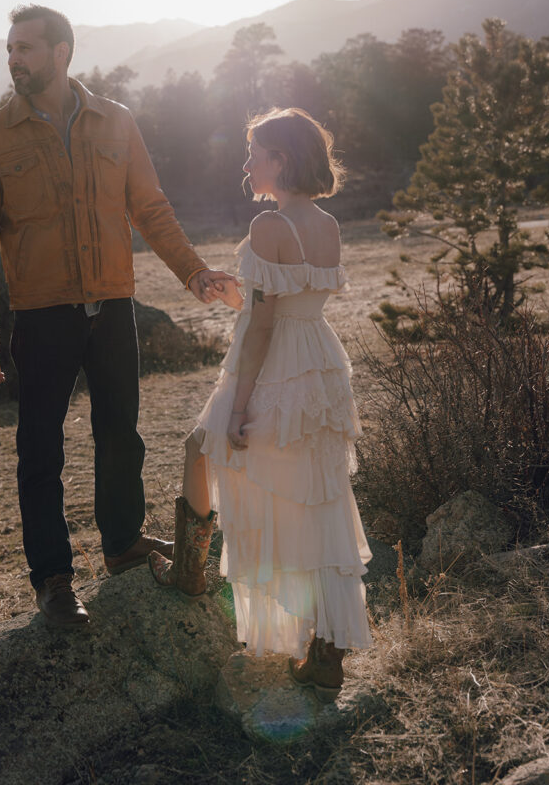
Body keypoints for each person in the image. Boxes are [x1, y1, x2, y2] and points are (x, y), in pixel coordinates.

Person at [0, 4, 235, 629]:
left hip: (111, 307)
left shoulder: (117, 121)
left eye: (26, 47)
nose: (14, 58)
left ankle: (121, 545)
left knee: (121, 436)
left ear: (62, 53)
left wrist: (192, 271)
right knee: (40, 451)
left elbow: (151, 209)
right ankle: (54, 581)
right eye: (9, 48)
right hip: (41, 315)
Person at [149, 107, 372, 701]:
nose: (247, 164)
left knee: (203, 444)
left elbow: (264, 329)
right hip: (320, 363)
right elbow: (287, 305)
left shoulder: (269, 226)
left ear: (281, 159)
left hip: (274, 367)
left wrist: (241, 404)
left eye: (255, 152)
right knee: (318, 496)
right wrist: (237, 294)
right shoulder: (326, 223)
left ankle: (191, 573)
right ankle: (328, 650)